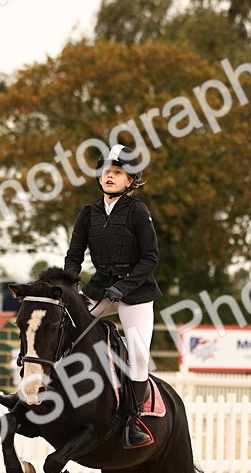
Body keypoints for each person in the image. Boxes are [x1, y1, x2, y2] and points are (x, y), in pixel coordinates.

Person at [63, 144, 159, 449]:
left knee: (139, 354)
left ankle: (133, 421)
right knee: (61, 328)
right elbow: (74, 255)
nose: (109, 176)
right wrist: (69, 286)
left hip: (136, 294)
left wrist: (125, 287)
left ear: (129, 180)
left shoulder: (137, 211)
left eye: (117, 172)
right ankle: (36, 391)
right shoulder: (88, 212)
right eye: (105, 171)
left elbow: (151, 257)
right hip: (101, 288)